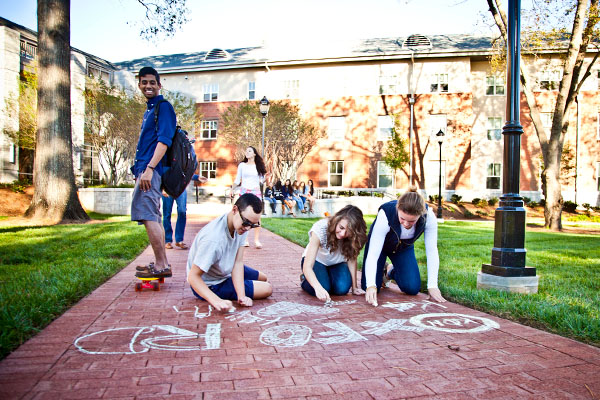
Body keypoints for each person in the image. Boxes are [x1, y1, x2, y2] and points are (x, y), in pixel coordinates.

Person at [361, 186, 446, 306]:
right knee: (370, 288)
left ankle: (389, 271)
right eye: (402, 218)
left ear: (420, 215)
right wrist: (371, 285)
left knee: (412, 288)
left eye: (411, 221)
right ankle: (379, 272)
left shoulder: (428, 217)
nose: (406, 224)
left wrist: (433, 286)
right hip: (380, 248)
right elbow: (373, 253)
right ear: (397, 209)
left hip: (403, 248)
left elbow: (432, 250)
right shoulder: (386, 213)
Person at [186, 193, 273, 311]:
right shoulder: (213, 239)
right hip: (211, 284)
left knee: (263, 277)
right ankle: (233, 286)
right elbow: (193, 277)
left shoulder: (240, 225)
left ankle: (239, 285)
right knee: (267, 289)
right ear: (234, 209)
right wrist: (216, 300)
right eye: (247, 223)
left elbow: (238, 262)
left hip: (225, 268)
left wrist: (241, 295)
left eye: (252, 225)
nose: (247, 228)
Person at [131, 66, 176, 279]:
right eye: (144, 82)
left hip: (152, 170)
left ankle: (160, 264)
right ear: (139, 84)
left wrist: (149, 169)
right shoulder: (150, 109)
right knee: (153, 216)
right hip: (145, 169)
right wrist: (139, 170)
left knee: (148, 215)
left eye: (152, 82)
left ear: (159, 85)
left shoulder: (163, 107)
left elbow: (164, 140)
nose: (148, 86)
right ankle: (162, 262)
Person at [301, 205, 368, 302]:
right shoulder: (320, 228)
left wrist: (354, 287)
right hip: (317, 261)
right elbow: (307, 266)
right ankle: (304, 279)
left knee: (342, 289)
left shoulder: (352, 238)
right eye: (341, 227)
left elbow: (352, 259)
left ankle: (326, 278)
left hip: (336, 264)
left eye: (348, 232)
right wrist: (317, 288)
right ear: (337, 219)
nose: (342, 234)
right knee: (323, 287)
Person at [231, 146, 268, 249]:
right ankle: (245, 240)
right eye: (246, 151)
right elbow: (238, 180)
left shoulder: (258, 166)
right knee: (243, 216)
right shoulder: (242, 165)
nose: (247, 152)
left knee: (257, 216)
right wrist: (232, 189)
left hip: (255, 191)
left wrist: (266, 178)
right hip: (244, 191)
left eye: (249, 151)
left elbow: (261, 181)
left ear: (254, 154)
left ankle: (256, 240)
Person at [162, 174, 208, 249]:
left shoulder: (181, 161)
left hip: (181, 188)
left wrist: (197, 177)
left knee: (182, 211)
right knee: (167, 214)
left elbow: (185, 171)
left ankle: (179, 240)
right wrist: (162, 187)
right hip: (167, 187)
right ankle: (167, 241)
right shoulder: (165, 161)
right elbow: (161, 170)